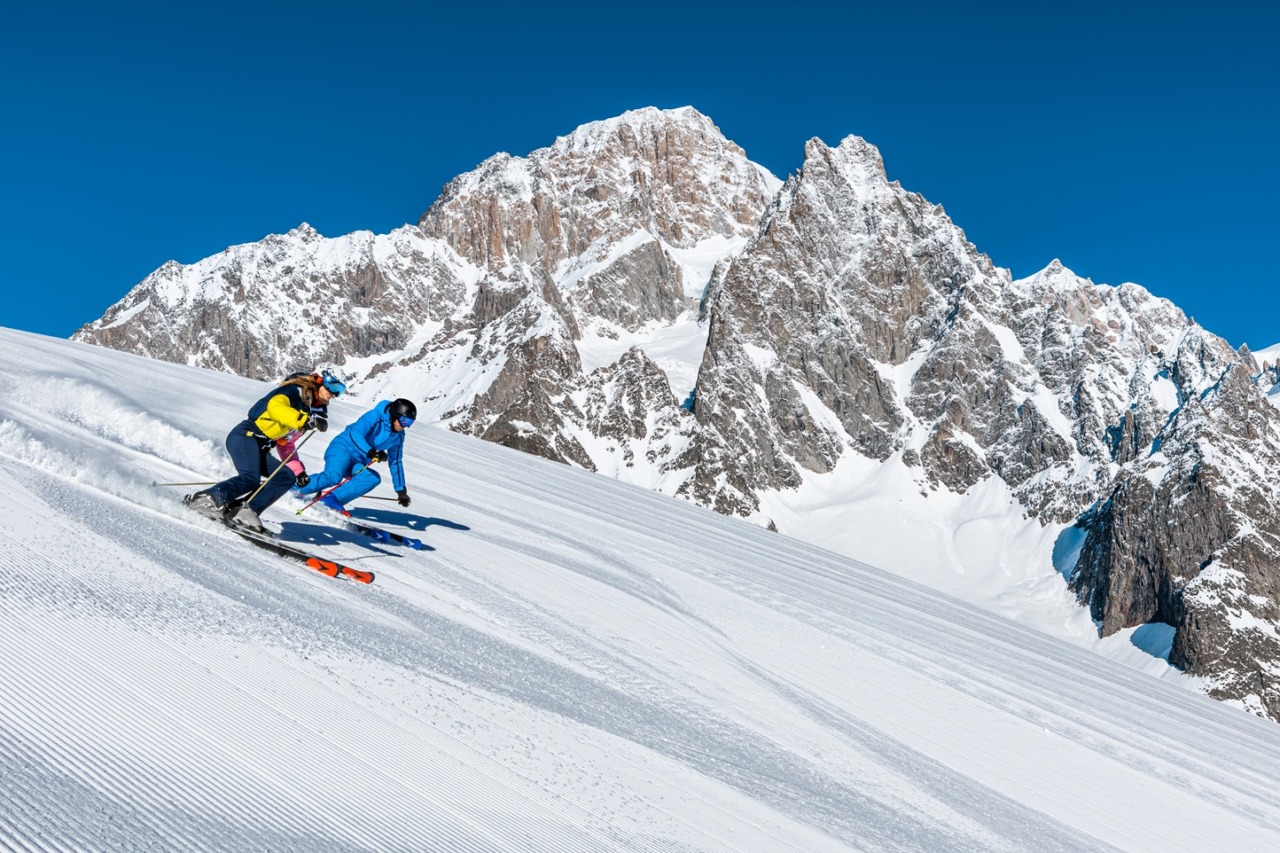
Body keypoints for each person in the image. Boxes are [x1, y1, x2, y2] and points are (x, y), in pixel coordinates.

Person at [186, 370, 347, 531]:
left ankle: (243, 511)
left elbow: (286, 444)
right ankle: (206, 499)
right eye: (332, 387)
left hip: (260, 447)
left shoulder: (307, 408)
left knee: (285, 477)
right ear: (318, 381)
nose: (334, 394)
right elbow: (275, 408)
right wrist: (303, 420)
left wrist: (298, 472)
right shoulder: (293, 392)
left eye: (339, 390)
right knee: (250, 478)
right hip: (246, 436)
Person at [295, 398, 416, 515]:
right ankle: (294, 488)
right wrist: (371, 452)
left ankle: (330, 499)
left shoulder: (398, 436)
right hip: (343, 448)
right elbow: (356, 433)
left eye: (409, 423)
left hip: (359, 460)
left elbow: (395, 462)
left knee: (372, 478)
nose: (405, 425)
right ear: (395, 414)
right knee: (333, 477)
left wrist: (401, 491)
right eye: (404, 420)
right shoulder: (375, 416)